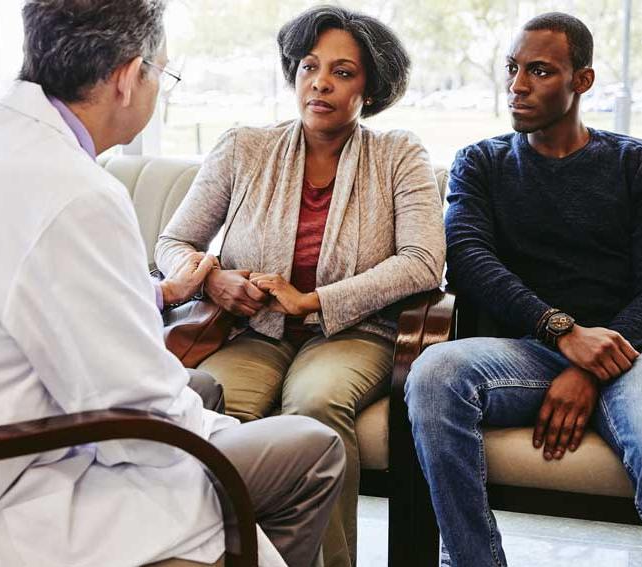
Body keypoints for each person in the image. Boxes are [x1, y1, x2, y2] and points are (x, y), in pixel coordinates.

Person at [0, 1, 346, 566]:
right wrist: (215, 427)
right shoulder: (74, 191)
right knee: (312, 452)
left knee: (205, 391)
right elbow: (142, 417)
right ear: (125, 77)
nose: (159, 89)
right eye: (162, 73)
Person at [405, 12, 642, 567]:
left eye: (539, 71)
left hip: (636, 352)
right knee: (433, 372)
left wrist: (591, 364)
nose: (517, 86)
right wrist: (562, 333)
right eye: (512, 69)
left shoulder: (641, 165)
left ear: (583, 81)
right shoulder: (481, 162)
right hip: (525, 353)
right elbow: (470, 264)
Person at [155, 6, 445, 566]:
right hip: (250, 333)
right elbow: (172, 243)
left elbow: (423, 261)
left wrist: (315, 301)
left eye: (343, 72)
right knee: (212, 410)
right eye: (309, 66)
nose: (320, 83)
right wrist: (214, 280)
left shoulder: (398, 155)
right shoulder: (244, 148)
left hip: (354, 334)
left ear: (372, 84)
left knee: (315, 406)